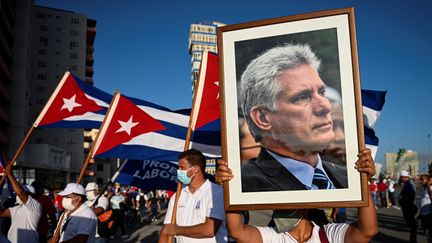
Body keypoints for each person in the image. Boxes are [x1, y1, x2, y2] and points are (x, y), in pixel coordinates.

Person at [239, 43, 347, 192]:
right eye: (303, 97)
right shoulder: (244, 186)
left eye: (321, 92)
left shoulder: (348, 177)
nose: (326, 106)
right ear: (263, 118)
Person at [216, 148, 378, 243]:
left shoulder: (327, 234)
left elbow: (367, 231)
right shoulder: (275, 237)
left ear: (304, 207)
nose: (279, 209)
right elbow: (237, 231)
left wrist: (362, 180)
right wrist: (230, 187)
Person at [159, 149, 228, 243]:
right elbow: (166, 230)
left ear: (195, 169)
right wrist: (170, 231)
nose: (178, 171)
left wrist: (177, 230)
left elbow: (209, 229)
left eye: (182, 168)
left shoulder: (216, 192)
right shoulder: (177, 196)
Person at [0, 164, 42, 243]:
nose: (17, 194)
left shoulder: (35, 206)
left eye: (24, 193)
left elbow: (20, 193)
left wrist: (10, 174)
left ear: (31, 195)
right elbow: (2, 213)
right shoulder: (17, 208)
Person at [398, 170, 418, 243]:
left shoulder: (409, 184)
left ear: (404, 177)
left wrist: (403, 202)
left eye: (401, 177)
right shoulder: (407, 183)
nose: (400, 179)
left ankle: (413, 240)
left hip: (409, 207)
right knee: (411, 224)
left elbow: (411, 195)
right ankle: (412, 239)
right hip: (408, 206)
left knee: (411, 224)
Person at [419, 174, 432, 242]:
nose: (420, 181)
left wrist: (428, 186)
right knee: (426, 232)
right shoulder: (423, 188)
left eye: (422, 179)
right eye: (420, 179)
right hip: (423, 213)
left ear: (427, 180)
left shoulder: (430, 188)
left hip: (429, 214)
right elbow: (422, 201)